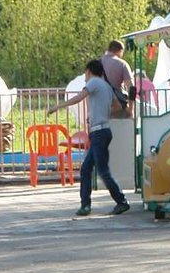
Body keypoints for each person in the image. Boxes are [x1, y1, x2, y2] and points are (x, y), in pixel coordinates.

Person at [48, 58, 131, 217]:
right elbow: (118, 107)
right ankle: (85, 204)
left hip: (99, 132)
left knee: (102, 170)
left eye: (85, 73)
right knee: (86, 169)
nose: (85, 76)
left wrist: (57, 107)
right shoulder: (106, 86)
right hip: (103, 131)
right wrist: (101, 113)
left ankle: (121, 201)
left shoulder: (93, 82)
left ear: (89, 71)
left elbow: (79, 97)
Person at [101, 39, 136, 113]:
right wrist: (131, 109)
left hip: (100, 107)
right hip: (117, 106)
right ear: (120, 51)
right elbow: (131, 88)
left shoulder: (96, 64)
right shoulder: (122, 64)